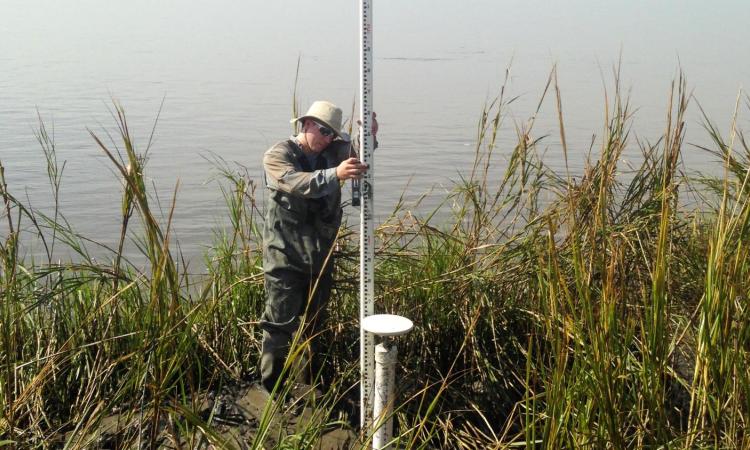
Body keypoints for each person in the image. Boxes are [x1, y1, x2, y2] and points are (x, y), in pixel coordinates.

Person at [259, 100, 378, 393]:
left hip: (320, 259)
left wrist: (369, 136)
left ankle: (311, 387)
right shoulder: (278, 155)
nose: (327, 139)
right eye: (323, 131)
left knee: (316, 328)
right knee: (279, 328)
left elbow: (360, 155)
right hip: (284, 259)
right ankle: (271, 391)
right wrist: (336, 174)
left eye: (332, 135)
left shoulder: (332, 152)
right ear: (307, 124)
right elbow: (298, 183)